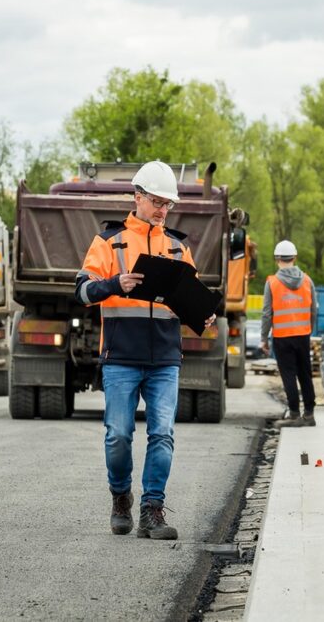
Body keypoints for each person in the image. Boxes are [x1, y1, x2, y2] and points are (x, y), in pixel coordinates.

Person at [75, 160, 214, 539]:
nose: (163, 210)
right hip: (121, 356)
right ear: (137, 197)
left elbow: (188, 298)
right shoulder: (108, 242)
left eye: (168, 204)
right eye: (157, 201)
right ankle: (121, 497)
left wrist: (203, 314)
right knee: (118, 434)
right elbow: (83, 290)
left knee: (163, 434)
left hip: (165, 358)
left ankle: (152, 509)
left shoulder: (177, 247)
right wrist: (116, 284)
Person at [261, 240, 318, 427]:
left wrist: (264, 338)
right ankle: (309, 414)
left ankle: (294, 415)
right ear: (294, 258)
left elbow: (267, 313)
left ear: (277, 259)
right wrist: (308, 329)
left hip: (282, 337)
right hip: (303, 335)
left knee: (289, 375)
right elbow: (313, 310)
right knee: (305, 374)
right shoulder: (308, 281)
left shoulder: (272, 282)